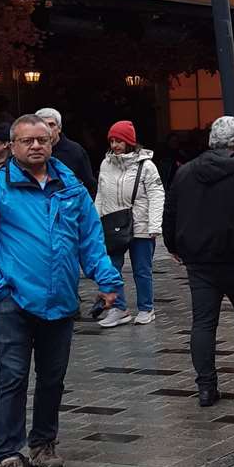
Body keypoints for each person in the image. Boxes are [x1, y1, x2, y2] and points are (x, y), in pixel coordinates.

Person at [0, 115, 122, 467]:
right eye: (27, 141)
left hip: (60, 300)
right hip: (13, 302)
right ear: (12, 145)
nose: (36, 146)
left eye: (42, 139)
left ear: (52, 140)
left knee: (53, 379)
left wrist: (106, 280)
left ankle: (42, 445)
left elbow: (90, 239)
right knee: (13, 378)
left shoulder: (70, 186)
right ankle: (7, 457)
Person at [162, 116, 234, 407]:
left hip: (200, 261)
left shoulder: (186, 172)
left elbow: (170, 210)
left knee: (203, 323)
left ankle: (206, 386)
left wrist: (172, 244)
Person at [93, 121, 165, 327]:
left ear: (130, 142)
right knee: (112, 267)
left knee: (142, 269)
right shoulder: (106, 163)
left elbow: (156, 194)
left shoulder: (146, 165)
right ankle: (119, 308)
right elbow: (101, 194)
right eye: (112, 140)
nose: (115, 145)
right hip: (113, 223)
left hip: (140, 223)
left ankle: (146, 308)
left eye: (120, 141)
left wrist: (154, 225)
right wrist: (95, 220)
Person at [34, 107, 95, 195]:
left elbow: (89, 186)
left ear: (59, 128)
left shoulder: (75, 151)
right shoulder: (30, 150)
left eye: (51, 125)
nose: (47, 129)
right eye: (43, 125)